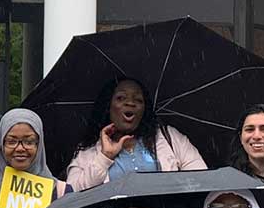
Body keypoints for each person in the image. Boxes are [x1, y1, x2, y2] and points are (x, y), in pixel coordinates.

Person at [67, 77, 206, 190]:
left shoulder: (169, 137)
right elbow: (72, 194)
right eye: (121, 98)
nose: (130, 103)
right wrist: (104, 157)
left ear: (144, 110)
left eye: (138, 100)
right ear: (108, 107)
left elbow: (201, 180)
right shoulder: (88, 150)